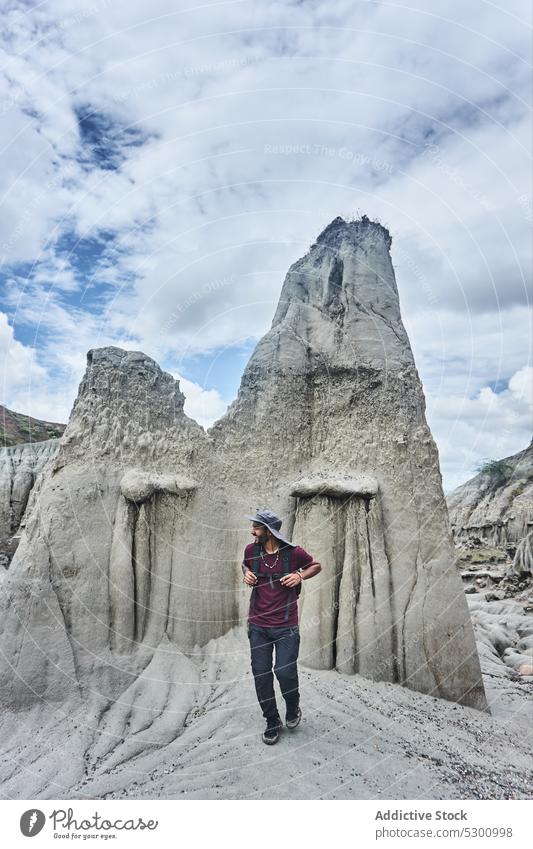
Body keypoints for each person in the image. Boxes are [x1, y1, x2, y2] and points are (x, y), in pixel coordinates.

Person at [242, 510, 321, 745]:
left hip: (286, 626)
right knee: (261, 674)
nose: (252, 531)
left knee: (284, 672)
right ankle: (272, 720)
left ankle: (293, 707)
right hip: (257, 625)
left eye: (256, 527)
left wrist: (300, 577)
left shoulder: (293, 553)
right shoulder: (251, 550)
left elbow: (316, 565)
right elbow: (245, 566)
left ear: (269, 531)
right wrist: (246, 574)